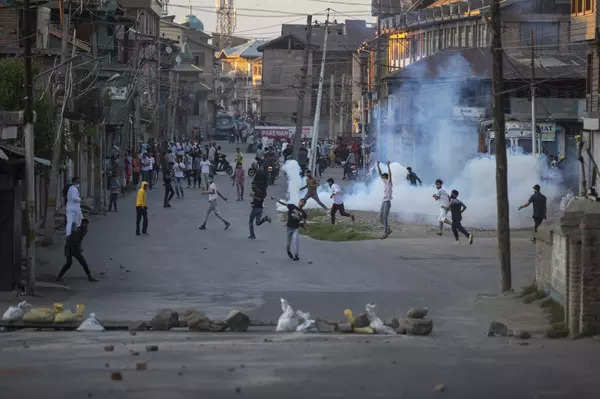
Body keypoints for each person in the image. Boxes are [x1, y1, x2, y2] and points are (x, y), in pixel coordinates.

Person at [377, 161, 393, 239]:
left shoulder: (389, 182)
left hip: (387, 202)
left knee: (385, 217)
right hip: (384, 201)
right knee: (380, 218)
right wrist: (378, 165)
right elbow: (380, 174)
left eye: (383, 176)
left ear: (386, 177)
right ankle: (388, 229)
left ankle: (386, 232)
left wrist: (388, 166)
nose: (382, 177)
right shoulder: (385, 182)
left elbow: (390, 174)